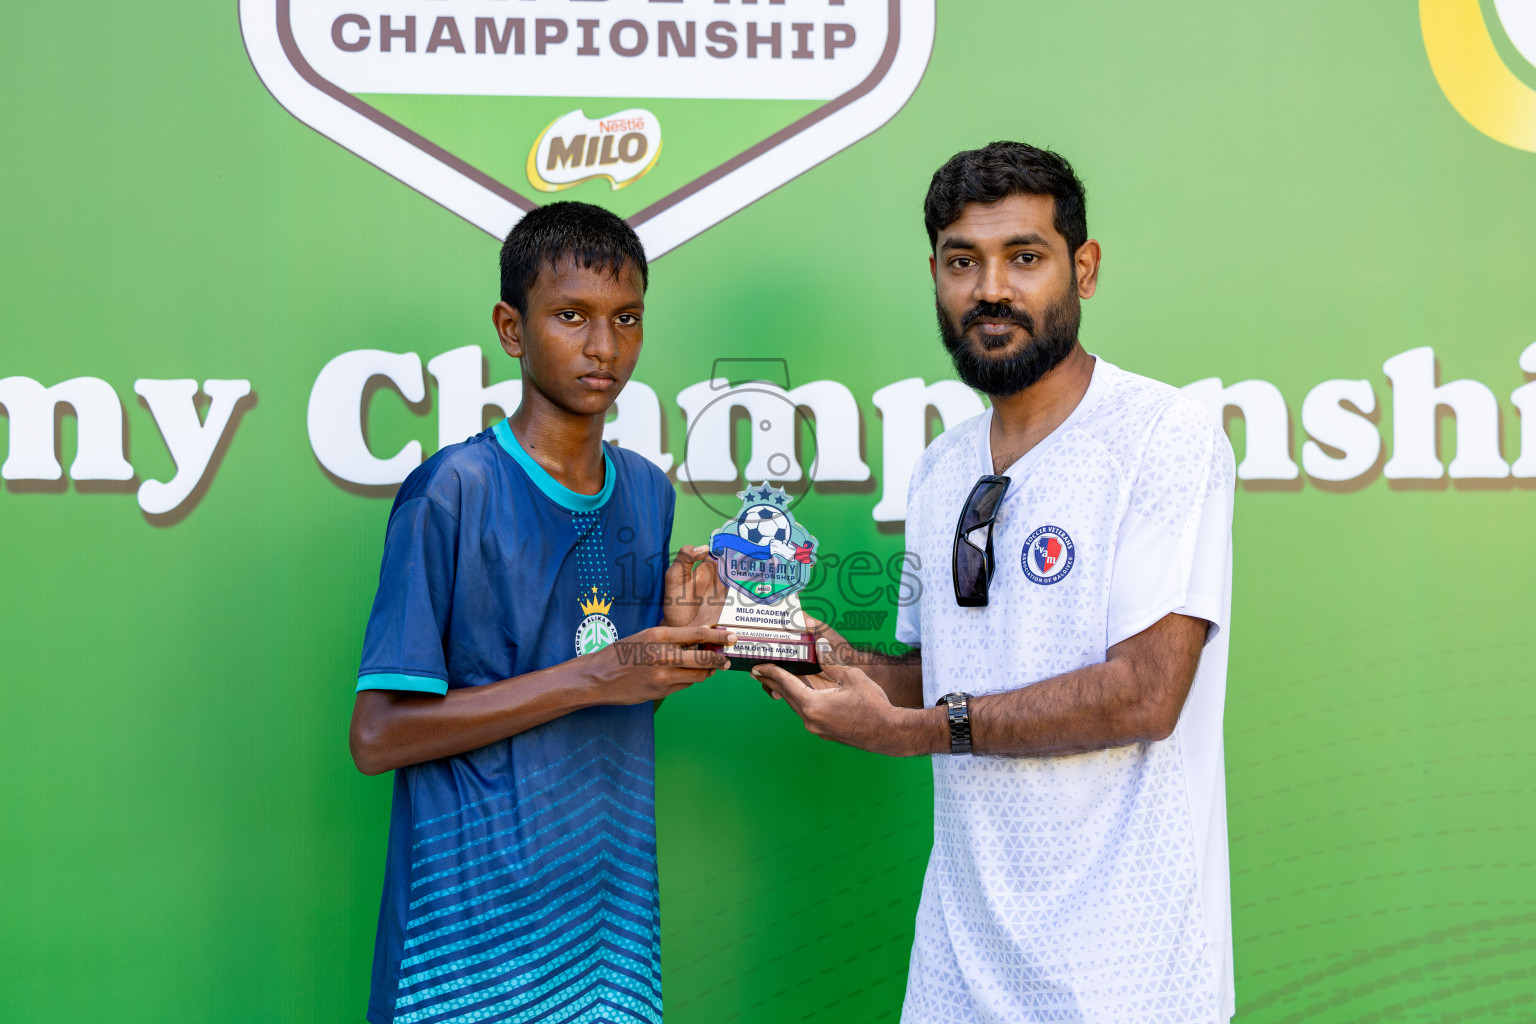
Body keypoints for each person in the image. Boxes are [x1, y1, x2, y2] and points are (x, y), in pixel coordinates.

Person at [754, 142, 1238, 1023]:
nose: (990, 290)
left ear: (1082, 270)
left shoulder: (1165, 435)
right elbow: (928, 673)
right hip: (957, 976)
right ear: (935, 275)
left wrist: (912, 734)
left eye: (1024, 257)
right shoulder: (942, 467)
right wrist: (806, 651)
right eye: (962, 262)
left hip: (1124, 978)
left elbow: (1145, 693)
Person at [348, 201, 730, 1024]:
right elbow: (377, 736)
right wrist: (600, 673)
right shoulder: (451, 491)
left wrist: (674, 651)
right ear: (511, 329)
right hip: (466, 950)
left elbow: (615, 692)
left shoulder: (648, 493)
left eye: (626, 319)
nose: (605, 347)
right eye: (571, 316)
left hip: (606, 941)